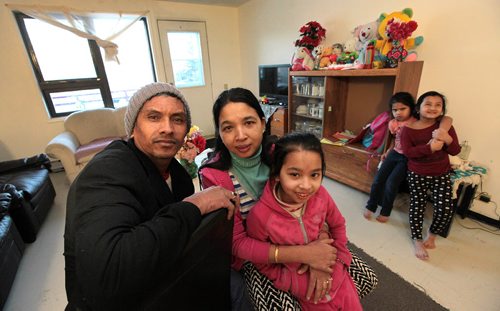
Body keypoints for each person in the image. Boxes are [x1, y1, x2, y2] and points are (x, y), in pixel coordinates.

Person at [63, 82, 237, 310]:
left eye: (177, 119)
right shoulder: (107, 171)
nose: (167, 128)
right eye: (154, 117)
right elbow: (108, 274)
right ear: (133, 128)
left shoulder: (179, 177)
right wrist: (194, 205)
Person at [199, 87, 377, 309]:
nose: (241, 135)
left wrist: (321, 245)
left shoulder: (280, 152)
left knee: (364, 279)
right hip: (260, 256)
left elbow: (313, 197)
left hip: (305, 234)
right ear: (219, 132)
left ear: (263, 123)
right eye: (228, 128)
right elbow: (237, 243)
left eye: (249, 123)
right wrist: (305, 254)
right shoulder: (214, 176)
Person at [246, 132, 362, 310]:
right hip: (309, 294)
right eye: (295, 175)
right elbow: (261, 260)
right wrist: (291, 281)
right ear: (277, 174)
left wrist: (339, 262)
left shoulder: (322, 195)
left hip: (341, 282)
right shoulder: (261, 216)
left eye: (314, 175)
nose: (306, 186)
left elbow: (338, 224)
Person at [363, 93, 453, 223]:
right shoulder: (392, 123)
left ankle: (385, 212)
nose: (398, 113)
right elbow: (395, 139)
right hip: (394, 153)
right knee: (378, 180)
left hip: (407, 157)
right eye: (395, 110)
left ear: (412, 108)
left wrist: (440, 135)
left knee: (392, 183)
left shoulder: (416, 122)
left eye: (402, 109)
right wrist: (387, 150)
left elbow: (447, 119)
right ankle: (370, 206)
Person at [400, 91, 461, 260]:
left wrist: (446, 138)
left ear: (442, 110)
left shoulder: (444, 127)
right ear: (418, 108)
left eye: (438, 105)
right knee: (417, 206)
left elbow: (455, 150)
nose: (433, 108)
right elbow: (408, 153)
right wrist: (429, 148)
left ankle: (432, 233)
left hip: (441, 173)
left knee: (445, 209)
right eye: (428, 104)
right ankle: (417, 239)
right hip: (417, 174)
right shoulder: (408, 130)